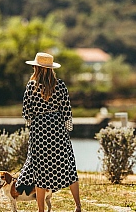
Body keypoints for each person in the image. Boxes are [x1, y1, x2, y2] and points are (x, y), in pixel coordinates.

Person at [16, 52, 81, 212]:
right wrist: (65, 129)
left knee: (40, 171)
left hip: (39, 131)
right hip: (58, 130)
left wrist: (37, 120)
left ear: (36, 68)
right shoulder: (60, 85)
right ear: (51, 69)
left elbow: (27, 113)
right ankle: (78, 206)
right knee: (69, 167)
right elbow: (67, 111)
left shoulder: (31, 86)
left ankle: (41, 210)